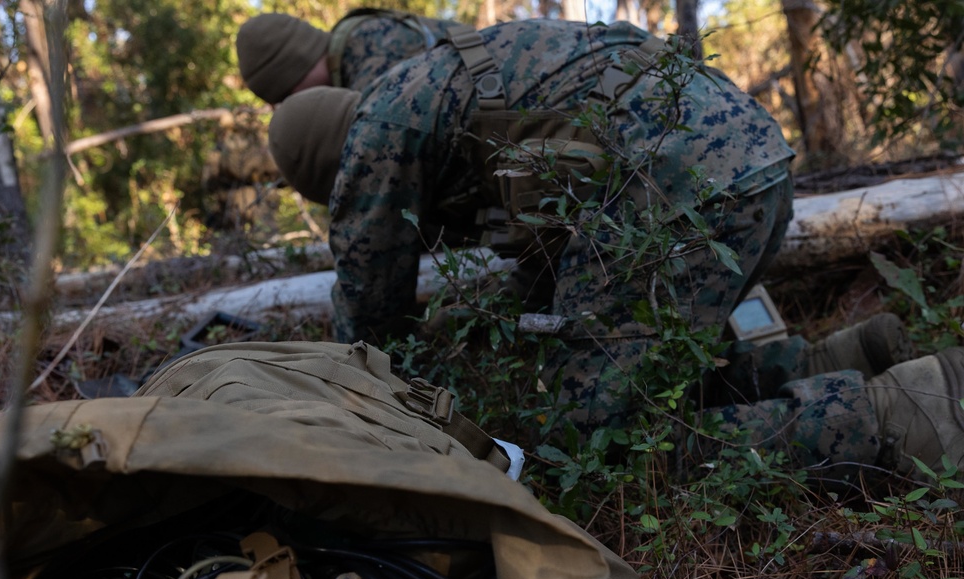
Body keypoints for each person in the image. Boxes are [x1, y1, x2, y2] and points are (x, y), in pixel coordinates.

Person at [263, 18, 964, 480]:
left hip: (681, 193)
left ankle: (902, 413)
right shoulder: (439, 76)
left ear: (323, 166)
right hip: (748, 160)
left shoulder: (370, 141)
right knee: (650, 372)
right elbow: (550, 251)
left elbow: (368, 326)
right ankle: (836, 356)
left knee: (598, 446)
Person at [236, 9, 461, 104]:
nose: (292, 106)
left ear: (298, 68)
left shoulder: (372, 57)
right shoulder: (356, 46)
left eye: (286, 97)